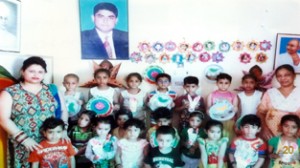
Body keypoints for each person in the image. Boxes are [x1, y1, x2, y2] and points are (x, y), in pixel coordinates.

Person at [0, 56, 68, 168]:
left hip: (50, 141)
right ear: (22, 71)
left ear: (45, 73)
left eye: (40, 71)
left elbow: (63, 110)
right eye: (31, 71)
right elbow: (3, 119)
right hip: (22, 144)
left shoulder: (52, 89)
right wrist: (24, 139)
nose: (36, 75)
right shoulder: (10, 92)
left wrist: (64, 129)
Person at [257, 64, 300, 141]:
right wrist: (264, 128)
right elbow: (260, 112)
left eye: (287, 75)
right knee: (270, 152)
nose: (283, 78)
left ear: (294, 76)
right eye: (279, 76)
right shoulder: (270, 92)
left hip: (295, 136)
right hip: (270, 135)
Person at [207, 73, 239, 141]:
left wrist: (235, 109)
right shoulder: (211, 95)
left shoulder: (233, 95)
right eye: (221, 82)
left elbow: (235, 108)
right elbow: (208, 108)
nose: (223, 85)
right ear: (216, 83)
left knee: (228, 137)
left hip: (229, 120)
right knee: (216, 138)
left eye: (226, 83)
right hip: (215, 121)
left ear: (229, 84)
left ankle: (227, 151)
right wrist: (209, 113)